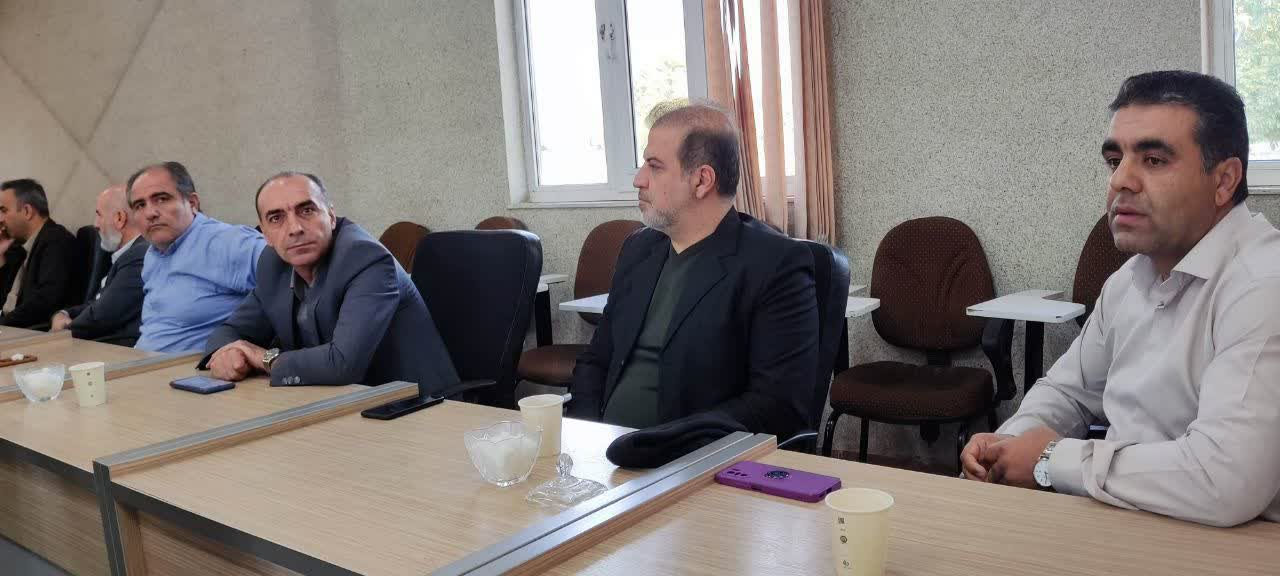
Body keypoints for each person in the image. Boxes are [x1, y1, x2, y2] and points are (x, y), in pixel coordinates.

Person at [961, 70, 1280, 527]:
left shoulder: (1263, 284)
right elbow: (1068, 391)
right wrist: (1008, 443)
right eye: (1115, 161)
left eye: (1153, 160)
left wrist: (1051, 460)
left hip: (1232, 544)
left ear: (1224, 180)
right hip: (1127, 519)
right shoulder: (1129, 279)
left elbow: (1225, 480)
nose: (1121, 181)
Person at [567, 104, 818, 441]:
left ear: (702, 180)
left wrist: (660, 444)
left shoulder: (775, 264)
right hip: (603, 449)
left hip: (694, 457)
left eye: (655, 166)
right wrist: (584, 438)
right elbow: (597, 359)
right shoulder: (638, 249)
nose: (638, 179)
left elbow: (777, 406)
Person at [201, 172, 459, 391]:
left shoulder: (366, 259)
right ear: (265, 233)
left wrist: (263, 358)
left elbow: (343, 364)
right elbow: (228, 332)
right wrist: (230, 354)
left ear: (331, 217)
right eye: (276, 218)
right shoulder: (274, 264)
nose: (294, 229)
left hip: (416, 404)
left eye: (307, 210)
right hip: (338, 400)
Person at [128, 162, 265, 352]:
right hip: (141, 362)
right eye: (140, 205)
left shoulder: (228, 242)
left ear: (192, 203)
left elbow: (292, 275)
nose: (150, 213)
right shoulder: (153, 254)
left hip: (196, 368)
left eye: (161, 199)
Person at [50, 185, 149, 345]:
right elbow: (98, 303)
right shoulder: (129, 253)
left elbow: (104, 315)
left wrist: (63, 333)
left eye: (99, 214)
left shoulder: (138, 255)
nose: (95, 224)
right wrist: (64, 313)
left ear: (120, 218)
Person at [0, 179, 80, 329]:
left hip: (34, 334)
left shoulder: (57, 241)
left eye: (4, 210)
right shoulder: (19, 248)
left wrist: (3, 324)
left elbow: (45, 301)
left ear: (27, 211)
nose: (1, 219)